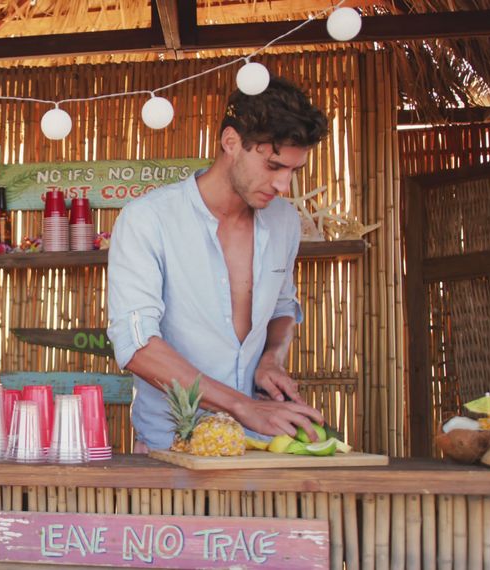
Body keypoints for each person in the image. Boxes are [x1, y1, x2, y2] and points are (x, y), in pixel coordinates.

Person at [107, 77, 328, 452]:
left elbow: (282, 306)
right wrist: (244, 406)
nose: (284, 186)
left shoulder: (284, 222)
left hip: (261, 444)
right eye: (274, 165)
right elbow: (138, 345)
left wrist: (271, 359)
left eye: (293, 170)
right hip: (173, 446)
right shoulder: (147, 219)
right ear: (231, 143)